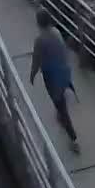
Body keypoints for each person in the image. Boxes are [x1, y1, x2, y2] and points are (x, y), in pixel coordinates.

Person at [29, 11, 79, 152]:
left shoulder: (39, 40)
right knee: (61, 97)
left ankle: (74, 139)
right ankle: (60, 113)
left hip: (51, 76)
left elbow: (36, 61)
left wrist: (32, 75)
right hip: (63, 71)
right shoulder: (56, 32)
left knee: (61, 107)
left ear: (38, 22)